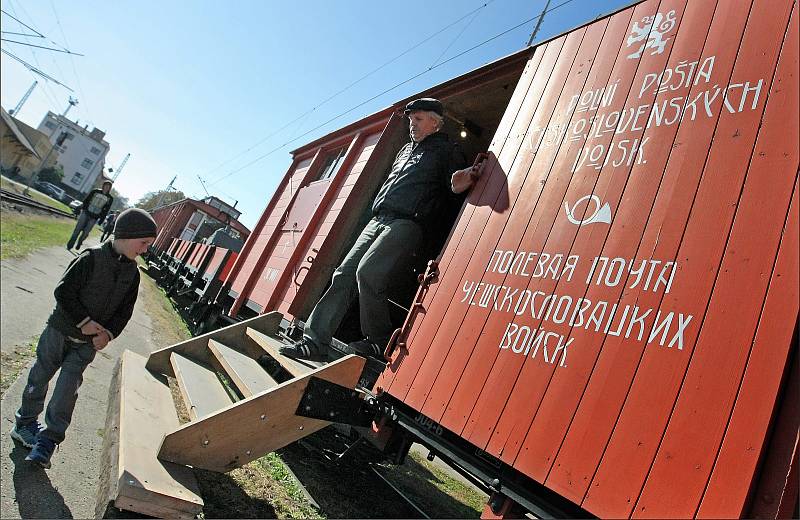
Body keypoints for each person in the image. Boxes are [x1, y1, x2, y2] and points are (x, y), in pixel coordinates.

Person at [280, 98, 481, 362]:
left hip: (408, 223)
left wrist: (474, 172)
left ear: (435, 121)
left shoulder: (447, 150)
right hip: (378, 219)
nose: (412, 124)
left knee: (368, 272)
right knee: (343, 274)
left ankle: (379, 340)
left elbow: (455, 183)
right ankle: (314, 341)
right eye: (411, 120)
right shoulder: (405, 150)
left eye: (418, 119)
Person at [10, 208, 158, 468]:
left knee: (68, 390)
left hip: (87, 345)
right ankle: (25, 423)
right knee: (40, 376)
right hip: (59, 331)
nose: (145, 249)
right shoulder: (91, 258)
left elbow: (124, 313)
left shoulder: (132, 275)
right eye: (143, 242)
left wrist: (109, 334)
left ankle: (48, 441)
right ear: (126, 235)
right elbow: (64, 292)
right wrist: (85, 322)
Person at [67, 180, 114, 250]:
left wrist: (101, 219)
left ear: (110, 188)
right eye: (106, 185)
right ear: (103, 185)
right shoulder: (95, 191)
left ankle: (80, 241)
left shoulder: (110, 198)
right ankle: (70, 244)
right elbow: (86, 200)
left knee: (86, 233)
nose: (107, 187)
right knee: (77, 229)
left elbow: (106, 210)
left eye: (108, 186)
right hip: (86, 213)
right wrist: (81, 208)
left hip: (94, 217)